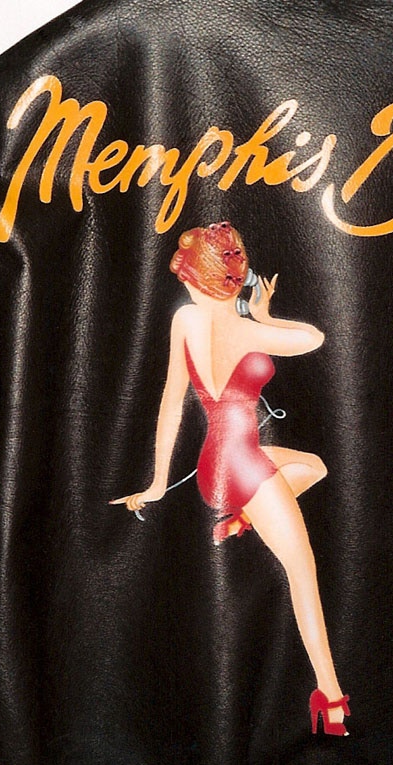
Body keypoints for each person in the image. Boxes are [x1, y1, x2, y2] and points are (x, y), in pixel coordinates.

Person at [111, 220, 350, 735]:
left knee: (314, 466)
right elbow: (313, 338)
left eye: (189, 279)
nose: (188, 288)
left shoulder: (185, 320)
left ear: (202, 281)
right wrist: (264, 315)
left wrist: (158, 482)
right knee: (303, 571)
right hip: (241, 465)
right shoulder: (249, 330)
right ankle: (330, 697)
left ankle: (242, 518)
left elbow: (171, 404)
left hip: (215, 465)